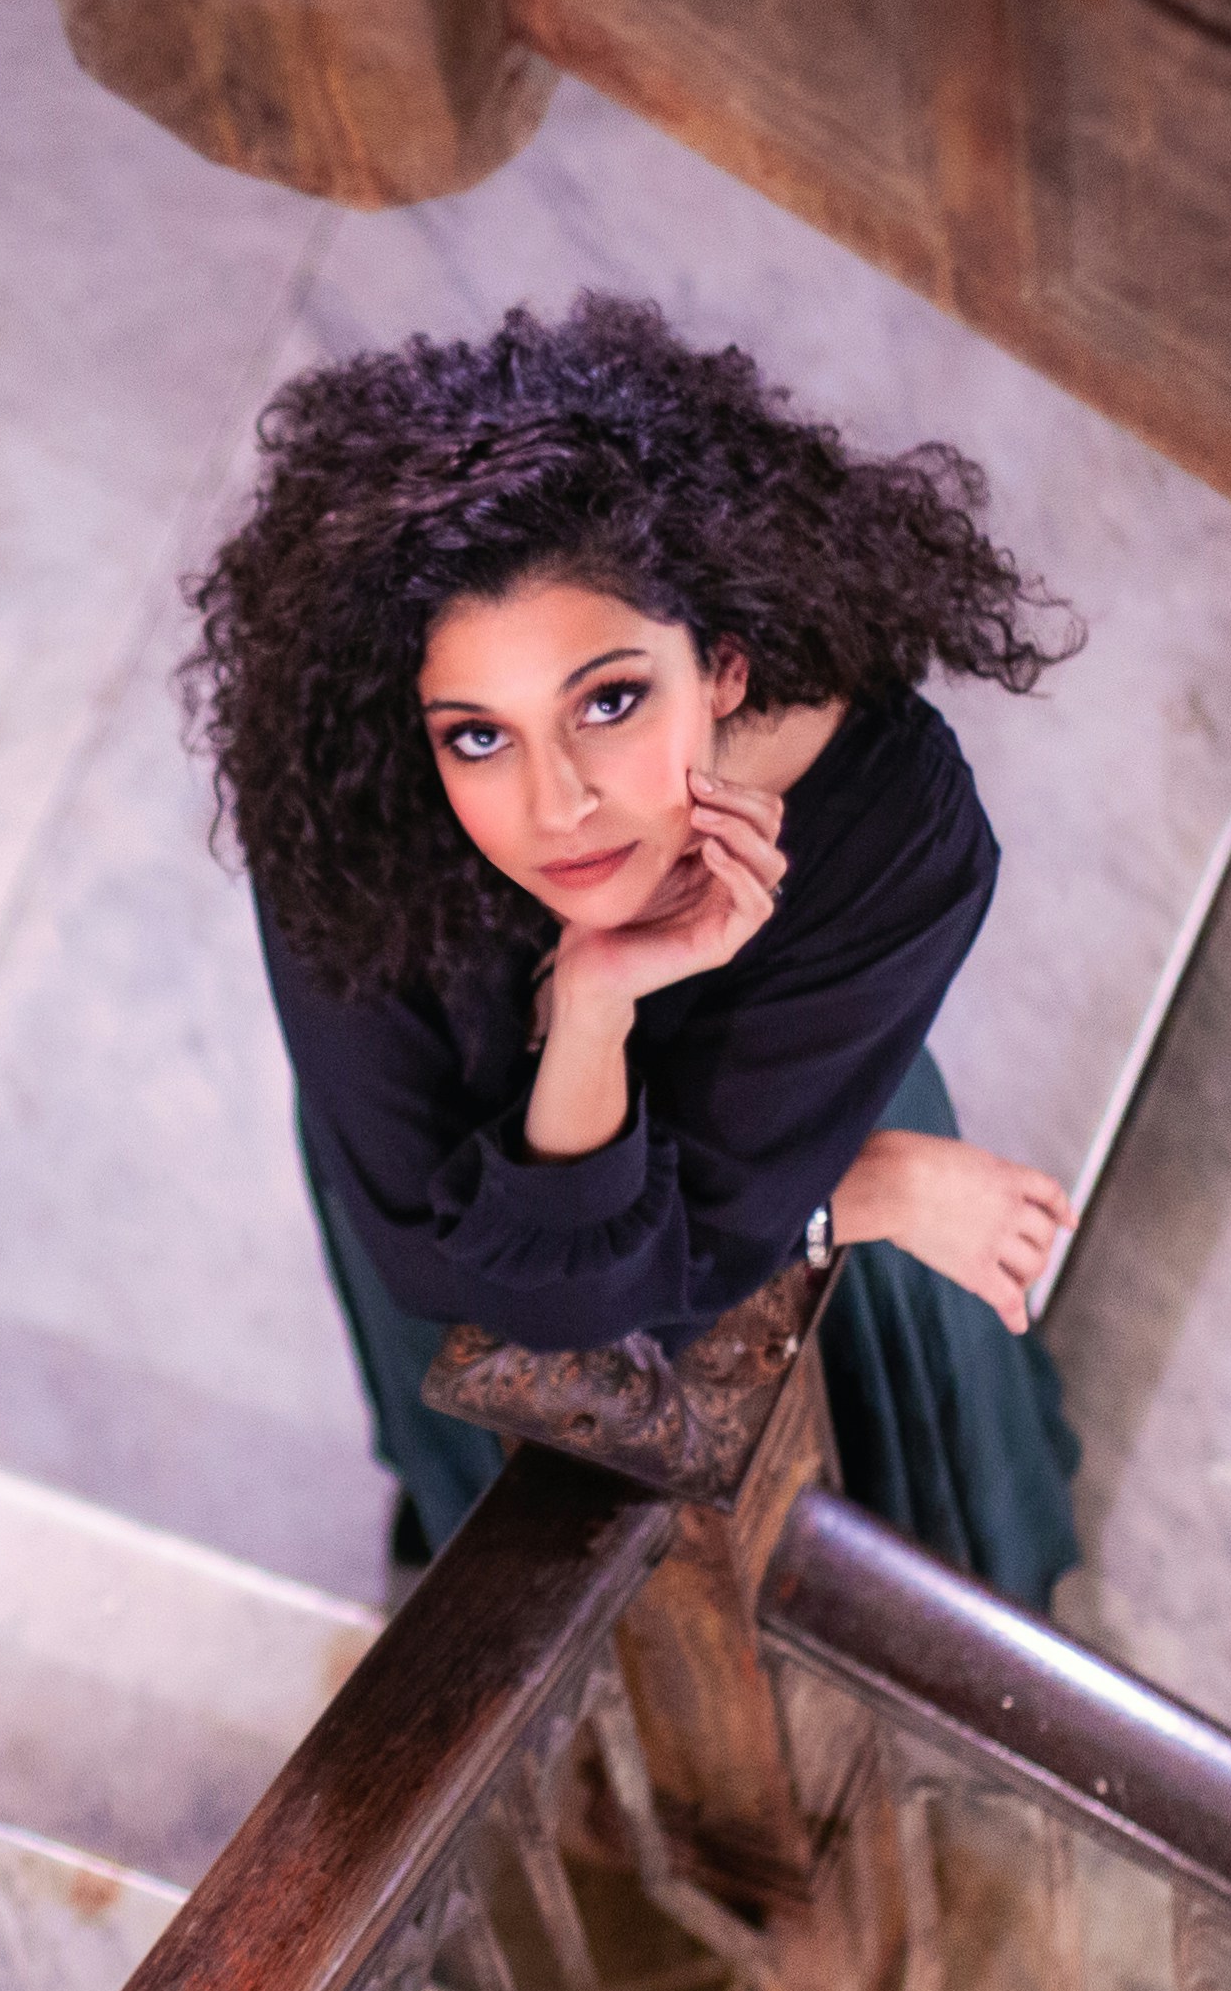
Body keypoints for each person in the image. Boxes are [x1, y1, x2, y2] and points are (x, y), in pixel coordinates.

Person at [192, 294, 1087, 1606]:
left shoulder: (896, 828)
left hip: (780, 1140)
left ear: (724, 664)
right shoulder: (346, 826)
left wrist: (774, 1192)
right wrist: (845, 1185)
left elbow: (624, 1298)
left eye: (609, 699)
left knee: (914, 1549)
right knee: (493, 1460)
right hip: (634, 1200)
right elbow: (493, 1302)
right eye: (477, 734)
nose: (558, 805)